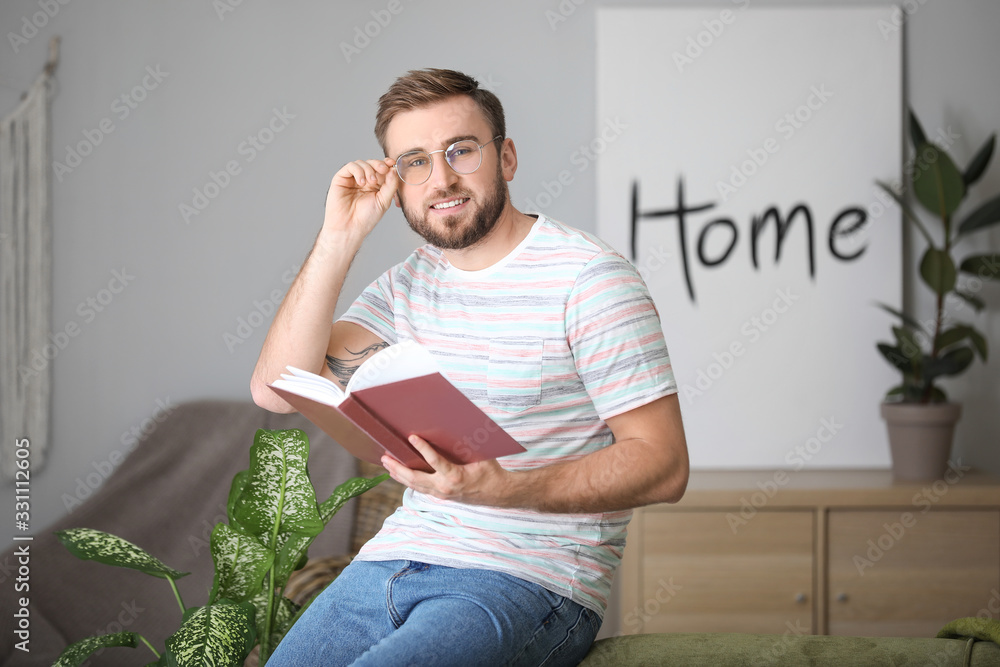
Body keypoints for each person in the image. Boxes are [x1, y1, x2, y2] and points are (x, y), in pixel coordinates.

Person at [252, 68, 689, 667]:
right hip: (393, 560)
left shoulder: (589, 280)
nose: (442, 179)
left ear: (506, 157)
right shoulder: (406, 285)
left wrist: (505, 488)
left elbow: (663, 465)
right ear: (396, 180)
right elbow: (276, 389)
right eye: (415, 162)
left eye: (461, 150)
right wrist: (338, 236)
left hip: (531, 579)